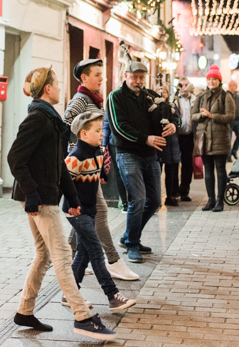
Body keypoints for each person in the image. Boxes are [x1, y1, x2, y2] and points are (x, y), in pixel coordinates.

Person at [8, 67, 116, 340]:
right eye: (57, 84)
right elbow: (15, 158)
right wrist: (32, 193)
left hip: (44, 195)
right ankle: (83, 316)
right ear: (47, 89)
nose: (60, 88)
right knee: (62, 255)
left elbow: (57, 163)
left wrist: (73, 196)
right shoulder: (38, 119)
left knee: (44, 255)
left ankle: (25, 311)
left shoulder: (50, 119)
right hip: (40, 199)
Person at [63, 58, 139, 281]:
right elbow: (65, 126)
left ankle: (71, 257)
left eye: (102, 74)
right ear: (84, 78)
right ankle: (113, 260)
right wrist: (77, 152)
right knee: (99, 212)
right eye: (97, 74)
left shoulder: (94, 100)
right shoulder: (80, 100)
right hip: (81, 167)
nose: (101, 78)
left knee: (85, 214)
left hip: (92, 166)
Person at [63, 111, 137, 312]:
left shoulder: (96, 152)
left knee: (83, 254)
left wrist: (102, 171)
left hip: (90, 209)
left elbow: (98, 175)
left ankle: (69, 295)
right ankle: (113, 296)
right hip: (76, 211)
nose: (102, 134)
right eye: (97, 131)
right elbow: (64, 183)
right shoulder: (75, 157)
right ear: (84, 134)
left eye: (101, 130)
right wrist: (72, 202)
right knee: (96, 251)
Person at [108, 61, 176, 264]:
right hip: (127, 153)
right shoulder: (115, 97)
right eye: (134, 77)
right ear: (126, 75)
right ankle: (132, 244)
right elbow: (119, 127)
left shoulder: (150, 96)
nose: (138, 81)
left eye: (141, 77)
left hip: (150, 154)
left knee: (154, 201)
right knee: (137, 199)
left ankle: (130, 235)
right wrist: (145, 138)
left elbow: (170, 114)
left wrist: (173, 124)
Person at [192, 65, 235, 211]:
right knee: (208, 170)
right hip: (203, 138)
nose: (211, 82)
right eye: (209, 79)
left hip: (219, 138)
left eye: (214, 79)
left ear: (219, 81)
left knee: (220, 170)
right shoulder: (201, 96)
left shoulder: (225, 96)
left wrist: (212, 116)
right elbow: (193, 115)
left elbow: (230, 116)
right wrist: (201, 115)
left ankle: (220, 200)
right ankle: (210, 199)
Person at [157, 84, 182, 207]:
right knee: (157, 171)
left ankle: (171, 196)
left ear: (168, 94)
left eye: (164, 91)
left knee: (171, 171)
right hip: (158, 141)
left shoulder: (173, 106)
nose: (162, 93)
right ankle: (156, 199)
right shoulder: (154, 106)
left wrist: (173, 124)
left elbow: (178, 120)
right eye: (159, 91)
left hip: (171, 142)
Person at [175, 78, 196, 202]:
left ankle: (184, 191)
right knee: (174, 165)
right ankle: (174, 191)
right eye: (181, 85)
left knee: (187, 165)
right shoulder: (174, 99)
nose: (184, 88)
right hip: (177, 136)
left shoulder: (194, 99)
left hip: (189, 136)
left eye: (186, 85)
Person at [227, 80, 239, 161]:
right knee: (228, 139)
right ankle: (228, 156)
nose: (236, 87)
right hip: (229, 121)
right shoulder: (226, 95)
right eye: (235, 85)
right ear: (230, 86)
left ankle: (234, 151)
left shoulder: (237, 96)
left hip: (238, 120)